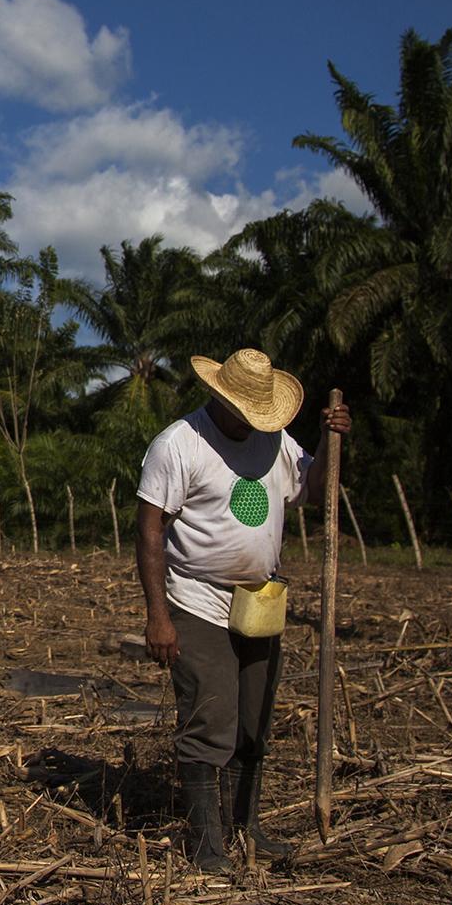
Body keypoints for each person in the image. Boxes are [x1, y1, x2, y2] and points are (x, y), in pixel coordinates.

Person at [134, 347, 350, 873]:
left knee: (253, 722)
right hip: (196, 600)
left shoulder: (274, 441)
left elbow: (315, 489)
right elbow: (149, 530)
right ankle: (207, 847)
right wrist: (158, 617)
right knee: (212, 719)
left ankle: (245, 827)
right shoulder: (179, 444)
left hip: (260, 603)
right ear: (221, 397)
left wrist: (331, 441)